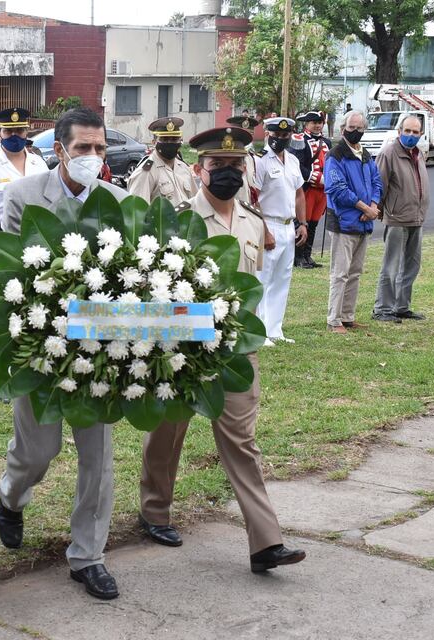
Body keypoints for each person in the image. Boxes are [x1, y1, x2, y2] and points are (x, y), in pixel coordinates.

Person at [139, 125, 306, 573]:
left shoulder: (253, 221)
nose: (228, 172)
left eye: (236, 164)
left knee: (241, 441)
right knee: (168, 432)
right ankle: (154, 512)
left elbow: (253, 285)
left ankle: (266, 542)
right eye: (218, 165)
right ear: (200, 170)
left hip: (234, 350)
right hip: (182, 347)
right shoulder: (177, 219)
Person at [0, 107, 128, 601]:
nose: (93, 156)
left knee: (98, 458)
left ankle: (88, 555)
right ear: (59, 151)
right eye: (82, 148)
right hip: (43, 350)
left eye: (100, 148)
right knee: (38, 450)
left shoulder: (119, 201)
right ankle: (11, 497)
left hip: (102, 353)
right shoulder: (22, 196)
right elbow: (13, 274)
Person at [324, 111, 383, 334]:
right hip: (344, 222)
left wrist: (373, 205)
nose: (355, 132)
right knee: (340, 274)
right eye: (351, 127)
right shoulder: (335, 155)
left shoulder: (365, 155)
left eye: (360, 128)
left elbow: (377, 181)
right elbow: (337, 189)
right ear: (342, 129)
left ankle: (347, 316)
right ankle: (334, 320)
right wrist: (365, 208)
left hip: (364, 223)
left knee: (355, 272)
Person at [251, 117, 307, 345]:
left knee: (282, 278)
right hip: (268, 223)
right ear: (267, 134)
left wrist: (303, 223)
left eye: (285, 135)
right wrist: (265, 231)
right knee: (263, 279)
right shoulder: (260, 161)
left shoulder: (292, 160)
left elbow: (299, 193)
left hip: (288, 225)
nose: (281, 139)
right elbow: (254, 199)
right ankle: (259, 331)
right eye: (276, 135)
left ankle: (275, 329)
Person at [373, 115, 429, 323]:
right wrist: (379, 210)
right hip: (397, 218)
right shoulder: (388, 153)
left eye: (415, 132)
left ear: (421, 134)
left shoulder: (419, 153)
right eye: (407, 131)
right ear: (399, 132)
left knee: (412, 265)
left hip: (416, 218)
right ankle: (383, 308)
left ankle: (401, 306)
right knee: (391, 266)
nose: (411, 135)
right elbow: (379, 185)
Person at [0, 107, 49, 226]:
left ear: (26, 132)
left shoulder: (39, 163)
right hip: (3, 234)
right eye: (8, 131)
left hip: (37, 232)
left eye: (19, 130)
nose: (14, 135)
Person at [126, 116, 197, 207]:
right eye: (164, 139)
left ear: (180, 141)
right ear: (154, 142)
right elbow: (138, 210)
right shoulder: (145, 173)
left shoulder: (184, 168)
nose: (170, 143)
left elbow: (196, 203)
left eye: (174, 139)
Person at [292, 111, 331, 268]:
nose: (317, 125)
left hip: (322, 191)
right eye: (314, 122)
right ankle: (298, 257)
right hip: (307, 188)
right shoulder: (299, 140)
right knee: (303, 222)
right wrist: (316, 177)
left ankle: (307, 256)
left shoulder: (327, 142)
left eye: (320, 122)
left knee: (314, 223)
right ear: (306, 124)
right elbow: (296, 164)